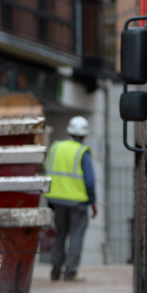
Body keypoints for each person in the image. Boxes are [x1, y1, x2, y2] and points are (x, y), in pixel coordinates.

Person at [44, 116, 96, 282]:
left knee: (60, 235)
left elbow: (48, 173)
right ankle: (71, 272)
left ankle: (55, 271)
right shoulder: (82, 152)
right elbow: (89, 180)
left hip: (57, 201)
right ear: (84, 135)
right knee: (76, 237)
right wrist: (93, 201)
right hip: (78, 203)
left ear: (69, 131)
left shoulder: (55, 147)